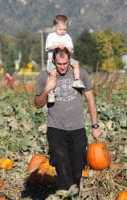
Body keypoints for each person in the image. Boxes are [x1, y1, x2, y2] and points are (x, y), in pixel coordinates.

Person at [34, 48, 101, 191]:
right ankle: (66, 194)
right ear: (53, 61)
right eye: (59, 63)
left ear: (70, 60)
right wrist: (47, 89)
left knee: (77, 168)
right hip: (56, 128)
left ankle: (73, 190)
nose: (62, 67)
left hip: (77, 128)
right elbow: (37, 105)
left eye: (65, 63)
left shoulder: (80, 74)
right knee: (61, 163)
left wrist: (95, 126)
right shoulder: (44, 76)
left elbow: (91, 101)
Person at [45, 15, 85, 103]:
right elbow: (48, 48)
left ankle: (77, 80)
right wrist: (57, 46)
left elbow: (71, 49)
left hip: (66, 59)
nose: (62, 31)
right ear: (55, 27)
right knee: (52, 74)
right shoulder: (51, 36)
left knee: (76, 63)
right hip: (53, 61)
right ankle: (51, 92)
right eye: (60, 29)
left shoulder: (67, 37)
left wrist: (65, 47)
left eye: (64, 29)